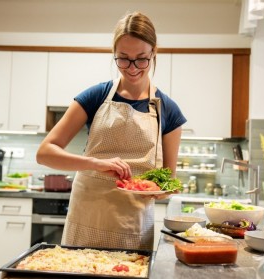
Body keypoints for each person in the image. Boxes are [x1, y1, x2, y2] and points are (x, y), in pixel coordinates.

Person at [36, 11, 187, 250]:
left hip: (133, 224)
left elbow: (169, 181)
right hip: (87, 215)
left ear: (154, 52)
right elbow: (44, 153)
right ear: (114, 55)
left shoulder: (168, 109)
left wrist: (162, 190)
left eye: (142, 58)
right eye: (123, 58)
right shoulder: (95, 96)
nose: (133, 67)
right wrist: (95, 163)